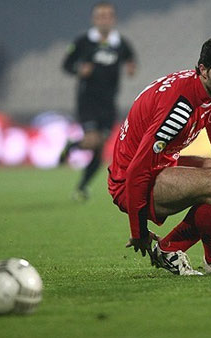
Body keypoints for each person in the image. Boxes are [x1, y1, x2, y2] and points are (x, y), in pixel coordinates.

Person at [109, 34, 211, 276]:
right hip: (130, 183)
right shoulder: (180, 108)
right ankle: (209, 257)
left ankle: (180, 251)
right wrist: (139, 232)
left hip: (163, 166)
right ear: (203, 70)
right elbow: (137, 169)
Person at [60, 2, 136, 200]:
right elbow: (67, 64)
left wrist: (130, 66)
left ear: (113, 19)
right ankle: (73, 146)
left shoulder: (120, 43)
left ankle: (82, 186)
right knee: (93, 141)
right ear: (94, 19)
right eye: (100, 16)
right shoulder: (84, 41)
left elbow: (130, 58)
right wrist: (79, 69)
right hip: (88, 102)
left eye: (108, 16)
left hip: (108, 104)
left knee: (99, 150)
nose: (104, 19)